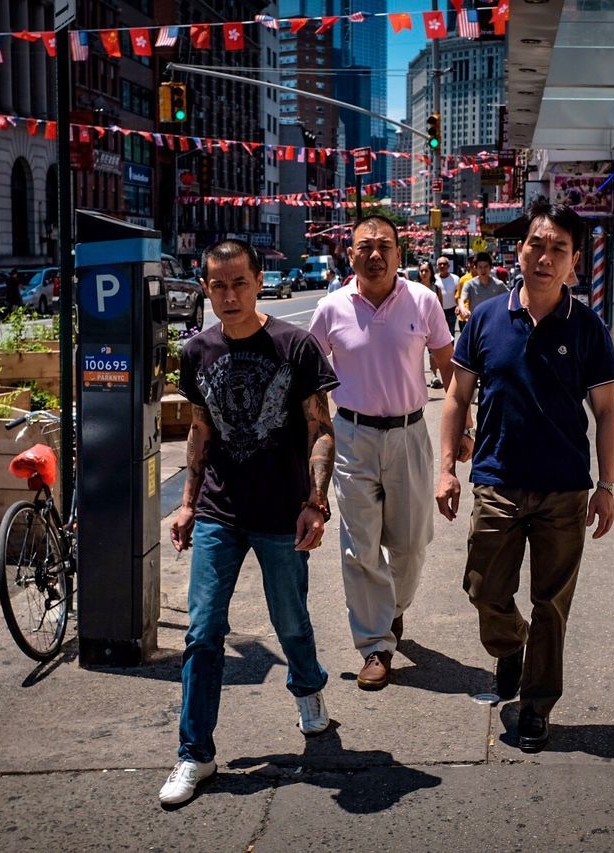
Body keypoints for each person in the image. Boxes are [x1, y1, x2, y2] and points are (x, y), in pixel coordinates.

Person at [436, 198, 614, 753]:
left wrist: (607, 486)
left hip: (565, 489)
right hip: (496, 480)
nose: (544, 257)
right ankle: (510, 644)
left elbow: (607, 410)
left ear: (573, 263)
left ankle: (537, 705)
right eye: (536, 245)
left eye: (558, 249)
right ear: (519, 250)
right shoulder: (487, 318)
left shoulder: (586, 327)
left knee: (552, 604)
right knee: (484, 589)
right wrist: (446, 468)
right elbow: (456, 394)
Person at [161, 238, 338, 807]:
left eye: (239, 283)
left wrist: (316, 500)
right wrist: (187, 502)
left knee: (290, 620)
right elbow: (200, 429)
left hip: (283, 513)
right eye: (218, 286)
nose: (229, 295)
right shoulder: (196, 351)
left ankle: (308, 688)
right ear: (205, 288)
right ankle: (195, 753)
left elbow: (320, 428)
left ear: (260, 281)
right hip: (218, 511)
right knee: (203, 630)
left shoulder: (296, 345)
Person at [309, 217, 470, 690]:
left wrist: (464, 429)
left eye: (385, 247)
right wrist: (318, 438)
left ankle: (392, 609)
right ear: (350, 253)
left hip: (409, 435)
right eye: (365, 247)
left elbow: (450, 367)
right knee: (360, 545)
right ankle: (376, 644)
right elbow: (312, 382)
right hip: (352, 438)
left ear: (400, 254)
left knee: (411, 543)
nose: (375, 255)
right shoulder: (329, 309)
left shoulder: (422, 301)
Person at [416, 261, 444, 389]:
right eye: (421, 271)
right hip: (417, 324)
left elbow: (440, 307)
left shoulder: (436, 288)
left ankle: (434, 375)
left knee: (433, 351)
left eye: (426, 270)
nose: (423, 273)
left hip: (432, 324)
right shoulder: (414, 287)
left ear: (431, 272)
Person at [459, 252, 508, 319]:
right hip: (476, 322)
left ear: (490, 267)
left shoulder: (499, 285)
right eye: (480, 267)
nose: (483, 270)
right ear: (475, 268)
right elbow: (462, 299)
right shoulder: (469, 284)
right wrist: (463, 309)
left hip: (493, 321)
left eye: (485, 267)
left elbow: (509, 297)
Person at [433, 256, 459, 337]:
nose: (442, 266)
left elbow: (458, 295)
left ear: (448, 266)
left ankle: (451, 349)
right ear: (437, 266)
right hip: (438, 311)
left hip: (452, 310)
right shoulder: (434, 279)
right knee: (438, 334)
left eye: (444, 264)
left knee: (451, 333)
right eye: (440, 264)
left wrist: (458, 306)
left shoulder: (455, 278)